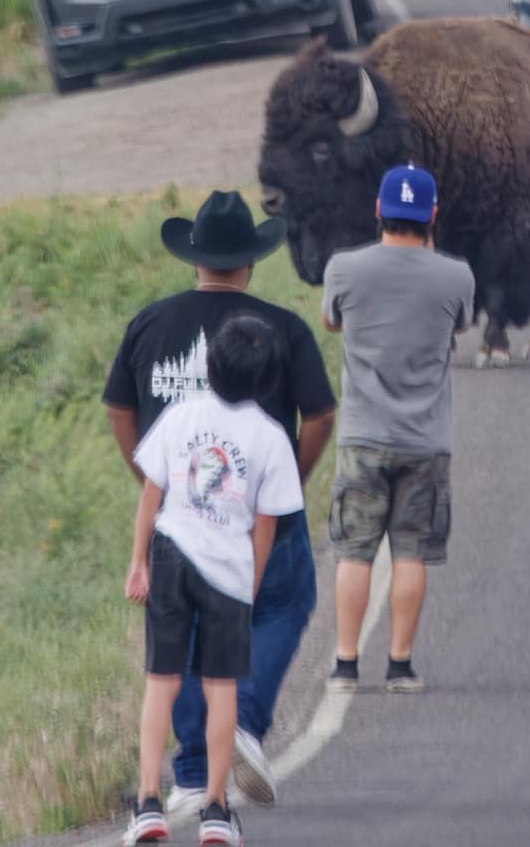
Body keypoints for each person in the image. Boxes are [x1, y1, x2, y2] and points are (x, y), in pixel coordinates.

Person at [105, 190, 337, 816]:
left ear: (195, 259)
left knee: (176, 637)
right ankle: (243, 724)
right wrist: (288, 480)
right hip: (262, 515)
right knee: (282, 605)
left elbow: (119, 408)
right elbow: (319, 414)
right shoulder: (282, 329)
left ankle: (185, 769)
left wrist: (151, 481)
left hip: (178, 519)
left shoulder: (149, 323)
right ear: (252, 262)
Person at [123, 313, 306, 847]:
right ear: (267, 379)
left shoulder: (181, 416)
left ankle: (147, 803)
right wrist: (248, 589)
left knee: (161, 681)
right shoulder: (271, 438)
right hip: (228, 571)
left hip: (171, 554)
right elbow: (266, 527)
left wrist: (139, 561)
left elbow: (150, 494)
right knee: (220, 687)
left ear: (209, 365)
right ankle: (216, 810)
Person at [320, 164, 475, 695]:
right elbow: (460, 326)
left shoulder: (344, 269)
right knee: (410, 553)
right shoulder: (457, 276)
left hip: (363, 436)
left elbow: (331, 321)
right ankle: (400, 664)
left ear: (378, 210)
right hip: (426, 441)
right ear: (433, 214)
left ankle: (344, 664)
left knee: (354, 551)